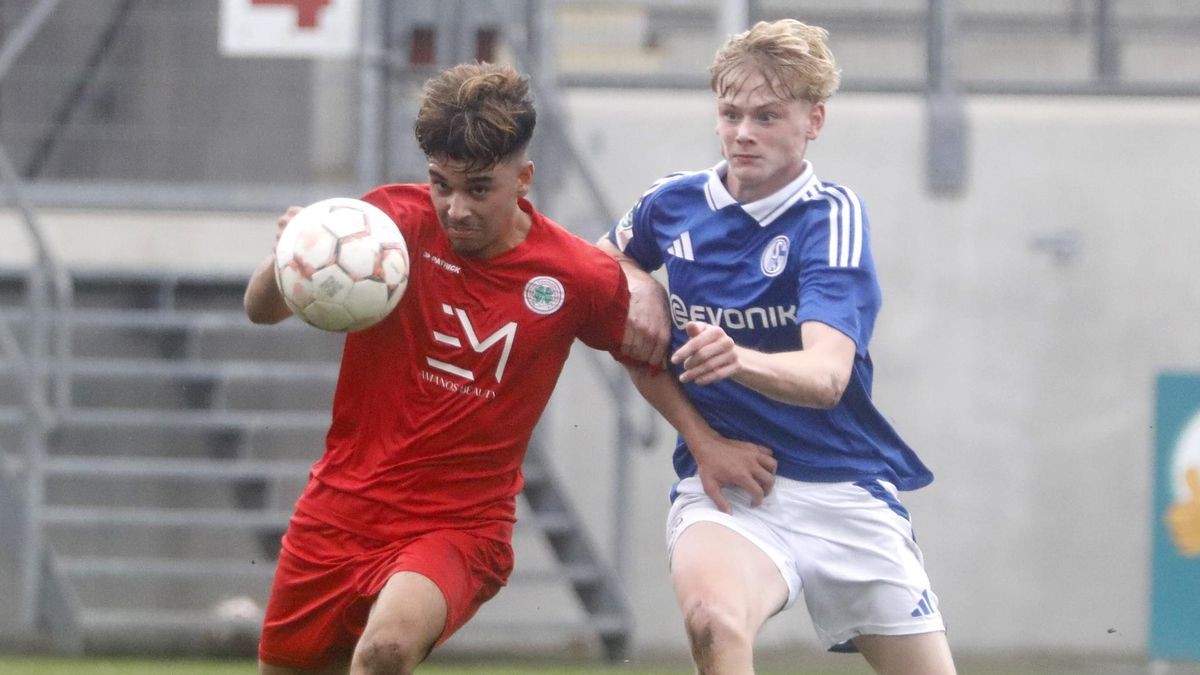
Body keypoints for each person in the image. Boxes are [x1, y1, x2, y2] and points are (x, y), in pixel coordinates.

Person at [244, 62, 677, 674]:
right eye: (441, 184)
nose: (455, 208)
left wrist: (711, 445)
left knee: (385, 652)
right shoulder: (383, 227)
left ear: (523, 178)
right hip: (339, 509)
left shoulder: (573, 276)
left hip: (458, 525)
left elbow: (648, 359)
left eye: (478, 188)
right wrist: (292, 254)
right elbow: (260, 311)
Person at [598, 19, 958, 675]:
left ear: (813, 120)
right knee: (712, 621)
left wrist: (737, 358)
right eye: (730, 113)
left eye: (767, 115)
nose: (743, 132)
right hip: (732, 486)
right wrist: (634, 283)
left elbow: (826, 374)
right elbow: (606, 281)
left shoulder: (831, 217)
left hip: (842, 488)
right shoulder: (670, 205)